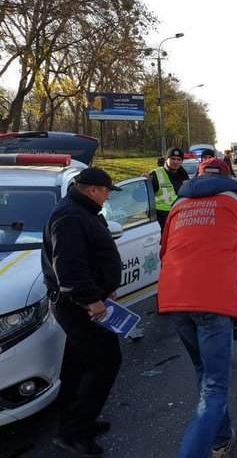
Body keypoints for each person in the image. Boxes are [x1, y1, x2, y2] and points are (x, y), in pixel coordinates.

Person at [158, 158, 237, 458]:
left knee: (204, 372)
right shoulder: (236, 201)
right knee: (216, 387)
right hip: (213, 302)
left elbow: (165, 250)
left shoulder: (180, 205)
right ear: (228, 175)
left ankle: (220, 440)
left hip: (175, 299)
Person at [41, 167, 123, 456]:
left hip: (83, 302)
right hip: (78, 306)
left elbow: (90, 257)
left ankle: (77, 422)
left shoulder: (81, 210)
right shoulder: (70, 217)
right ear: (92, 190)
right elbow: (70, 269)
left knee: (79, 366)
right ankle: (74, 431)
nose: (109, 195)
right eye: (106, 190)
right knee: (105, 361)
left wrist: (104, 286)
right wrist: (92, 300)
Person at [149, 147, 190, 230]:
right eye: (172, 159)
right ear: (166, 159)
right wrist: (142, 185)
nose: (175, 162)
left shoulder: (184, 175)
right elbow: (141, 197)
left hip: (179, 217)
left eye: (179, 159)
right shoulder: (156, 174)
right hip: (161, 219)